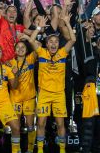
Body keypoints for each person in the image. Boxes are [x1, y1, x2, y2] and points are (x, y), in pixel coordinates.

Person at [25, 13, 76, 153]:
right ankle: (40, 150)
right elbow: (31, 41)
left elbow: (73, 39)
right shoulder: (41, 53)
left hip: (59, 94)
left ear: (58, 44)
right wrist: (39, 27)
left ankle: (62, 150)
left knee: (60, 124)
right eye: (50, 42)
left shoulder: (62, 53)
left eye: (56, 42)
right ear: (46, 44)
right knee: (41, 123)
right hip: (44, 94)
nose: (53, 44)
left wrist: (67, 22)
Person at [7, 40, 37, 153]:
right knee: (15, 126)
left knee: (30, 126)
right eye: (18, 47)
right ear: (14, 51)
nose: (20, 49)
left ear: (27, 49)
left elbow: (37, 45)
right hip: (15, 97)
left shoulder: (31, 58)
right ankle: (16, 150)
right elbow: (12, 85)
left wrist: (30, 35)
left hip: (29, 97)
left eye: (23, 47)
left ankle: (30, 149)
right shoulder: (10, 63)